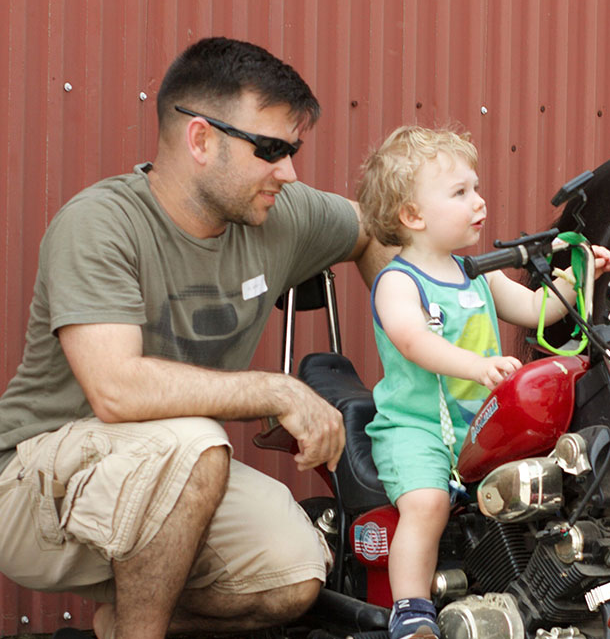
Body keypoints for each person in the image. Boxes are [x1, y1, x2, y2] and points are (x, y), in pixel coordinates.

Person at [0, 37, 393, 638]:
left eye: (293, 150)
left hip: (171, 478)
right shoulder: (100, 223)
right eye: (270, 150)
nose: (289, 172)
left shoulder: (278, 215)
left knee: (294, 573)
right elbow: (116, 390)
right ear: (201, 139)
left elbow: (373, 232)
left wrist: (416, 341)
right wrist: (279, 391)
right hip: (33, 487)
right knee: (195, 443)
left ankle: (124, 622)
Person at [357, 126, 610, 639]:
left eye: (476, 188)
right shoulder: (399, 281)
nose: (479, 201)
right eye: (460, 193)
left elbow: (535, 308)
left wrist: (576, 278)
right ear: (413, 216)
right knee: (426, 504)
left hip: (485, 427)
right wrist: (474, 366)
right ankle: (410, 611)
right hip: (417, 429)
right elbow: (412, 341)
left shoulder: (477, 272)